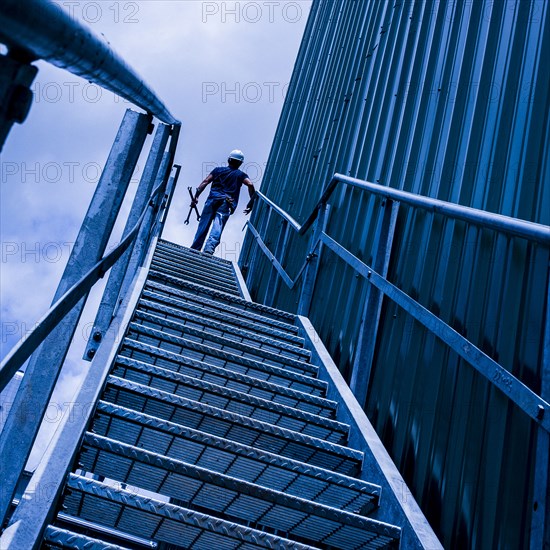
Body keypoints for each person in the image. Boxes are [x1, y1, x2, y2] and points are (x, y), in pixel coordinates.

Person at [190, 149, 256, 255]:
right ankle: (208, 249)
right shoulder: (241, 175)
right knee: (218, 224)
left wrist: (196, 197)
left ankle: (195, 248)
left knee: (203, 224)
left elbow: (205, 181)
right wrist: (251, 202)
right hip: (226, 202)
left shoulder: (217, 170)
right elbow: (250, 184)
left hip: (212, 200)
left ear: (229, 159)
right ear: (240, 163)